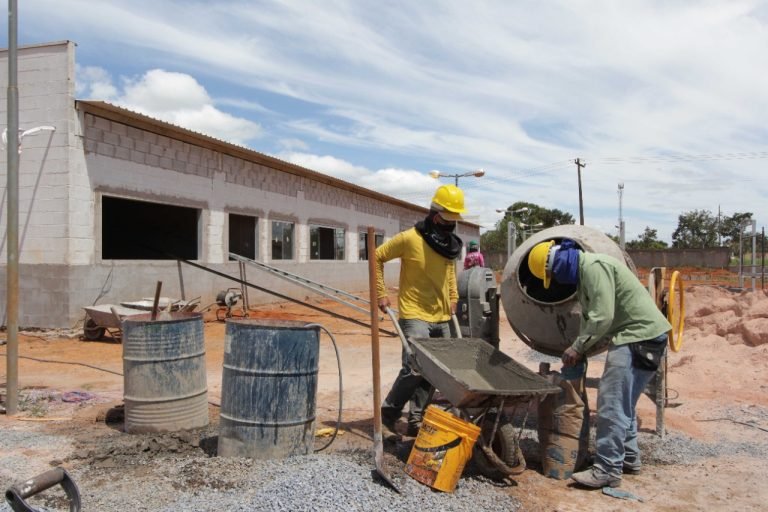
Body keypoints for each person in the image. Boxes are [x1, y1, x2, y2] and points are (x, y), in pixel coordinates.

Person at [527, 238, 671, 488]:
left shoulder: (594, 267)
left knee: (611, 402)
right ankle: (628, 458)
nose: (556, 280)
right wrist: (578, 352)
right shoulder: (585, 275)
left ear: (557, 263)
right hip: (646, 336)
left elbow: (603, 316)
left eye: (551, 274)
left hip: (637, 336)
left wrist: (578, 347)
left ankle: (607, 469)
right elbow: (590, 318)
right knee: (623, 403)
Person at [375, 184, 465, 439]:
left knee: (438, 371)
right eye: (449, 220)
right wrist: (381, 293)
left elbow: (449, 270)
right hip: (414, 312)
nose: (452, 226)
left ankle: (417, 418)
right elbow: (377, 257)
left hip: (443, 315)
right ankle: (389, 414)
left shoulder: (448, 245)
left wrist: (453, 296)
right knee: (415, 367)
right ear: (436, 216)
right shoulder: (409, 238)